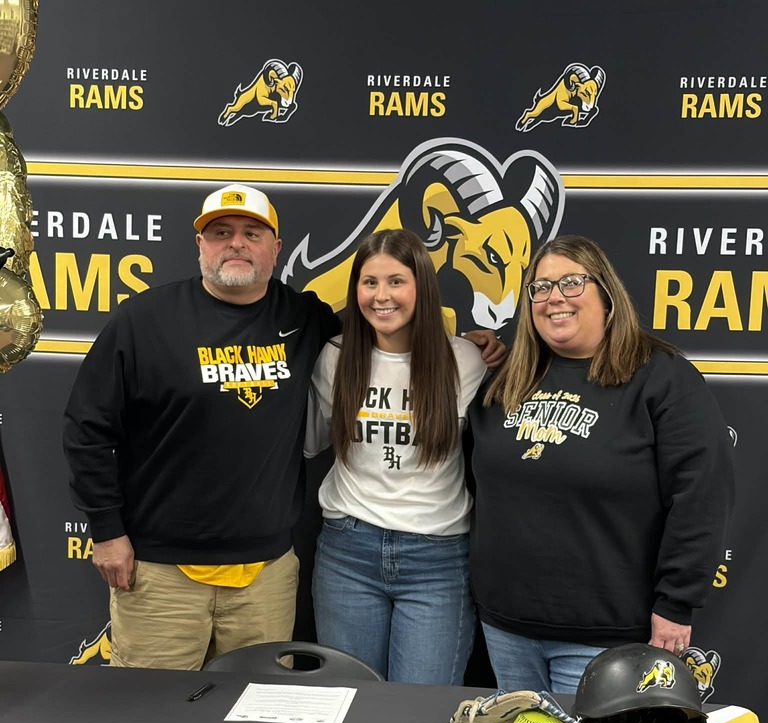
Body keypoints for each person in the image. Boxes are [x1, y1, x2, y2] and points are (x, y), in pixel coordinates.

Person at [63, 186, 504, 671]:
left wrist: (470, 343)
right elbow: (87, 428)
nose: (236, 244)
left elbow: (384, 327)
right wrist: (106, 530)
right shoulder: (143, 320)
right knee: (152, 721)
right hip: (161, 571)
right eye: (221, 233)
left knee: (260, 722)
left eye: (252, 233)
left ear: (275, 249)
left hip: (265, 575)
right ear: (200, 246)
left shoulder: (303, 318)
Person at [468, 234, 734, 694]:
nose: (555, 298)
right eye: (540, 287)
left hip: (605, 639)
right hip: (506, 627)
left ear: (606, 294)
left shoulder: (661, 378)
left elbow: (702, 497)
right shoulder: (509, 381)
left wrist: (675, 603)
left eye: (572, 283)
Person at [306, 229, 487, 684]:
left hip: (438, 558)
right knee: (348, 705)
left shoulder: (465, 359)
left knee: (419, 713)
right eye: (369, 283)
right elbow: (309, 442)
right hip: (348, 551)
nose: (381, 296)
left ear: (421, 287)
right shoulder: (335, 357)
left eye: (395, 281)